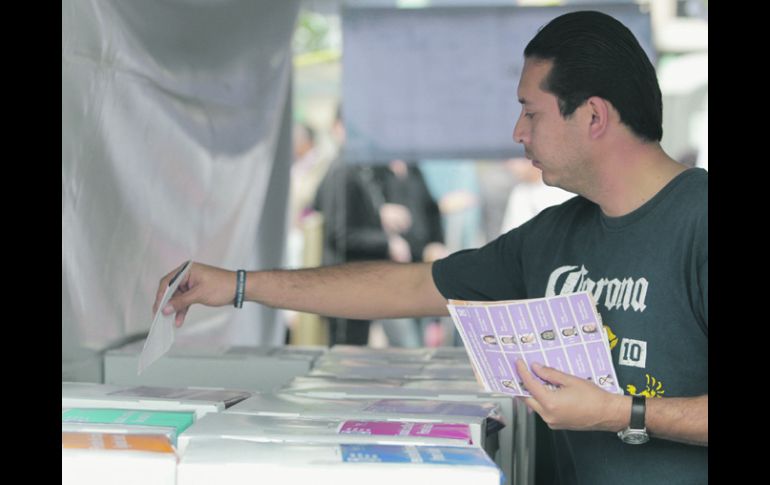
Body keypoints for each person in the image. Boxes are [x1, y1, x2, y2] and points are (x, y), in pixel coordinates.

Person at [154, 11, 707, 484]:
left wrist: (619, 412)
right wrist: (239, 285)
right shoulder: (555, 234)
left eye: (531, 111)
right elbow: (414, 284)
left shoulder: (697, 222)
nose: (517, 132)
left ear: (592, 116)